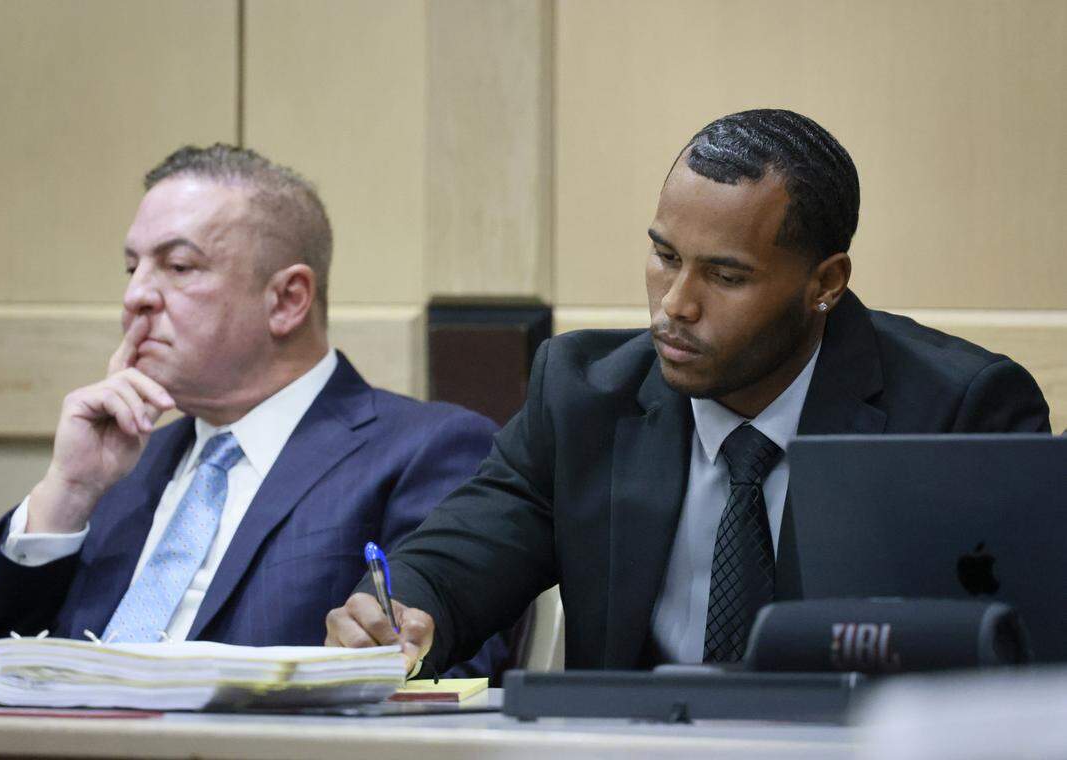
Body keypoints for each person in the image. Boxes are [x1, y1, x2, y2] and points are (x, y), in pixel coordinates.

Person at [325, 109, 1051, 674]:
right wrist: (398, 611)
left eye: (726, 276)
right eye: (664, 256)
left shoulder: (956, 409)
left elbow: (1021, 661)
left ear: (825, 283)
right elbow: (460, 559)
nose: (675, 304)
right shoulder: (583, 395)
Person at [0, 145, 503, 673]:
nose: (136, 296)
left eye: (178, 267)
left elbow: (439, 671)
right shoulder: (118, 469)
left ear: (287, 300)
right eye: (132, 268)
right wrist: (68, 492)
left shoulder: (427, 452)